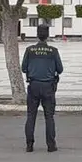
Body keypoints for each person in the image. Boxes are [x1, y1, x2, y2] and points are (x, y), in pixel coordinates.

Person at [22, 23, 63, 152]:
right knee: (49, 117)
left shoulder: (29, 50)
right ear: (47, 35)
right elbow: (60, 69)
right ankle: (51, 145)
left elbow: (23, 68)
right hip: (48, 87)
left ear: (37, 35)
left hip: (33, 86)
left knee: (31, 116)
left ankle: (29, 145)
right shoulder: (53, 51)